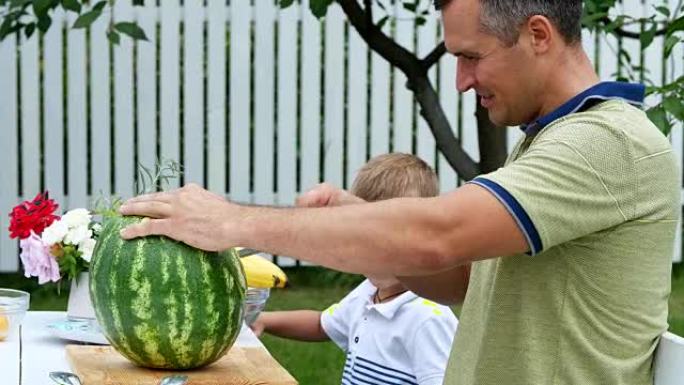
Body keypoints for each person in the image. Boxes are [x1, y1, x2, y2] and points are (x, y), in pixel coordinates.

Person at [117, 0, 681, 384]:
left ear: (538, 34)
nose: (460, 81)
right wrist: (363, 227)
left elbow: (438, 236)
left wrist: (232, 222)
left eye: (471, 56)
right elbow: (463, 280)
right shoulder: (553, 139)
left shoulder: (605, 143)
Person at [250, 153, 458, 385]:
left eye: (385, 237)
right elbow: (321, 324)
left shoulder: (428, 318)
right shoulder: (367, 294)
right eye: (363, 236)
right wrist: (265, 320)